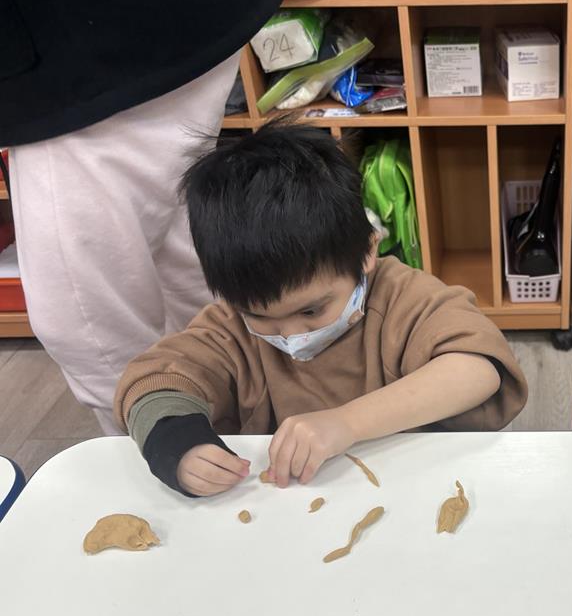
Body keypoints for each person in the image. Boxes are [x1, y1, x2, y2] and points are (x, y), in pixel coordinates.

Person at [114, 121, 528, 497]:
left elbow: (478, 369)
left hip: (412, 492)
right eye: (260, 316)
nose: (291, 335)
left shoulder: (404, 299)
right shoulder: (230, 329)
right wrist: (179, 447)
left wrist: (347, 423)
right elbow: (155, 383)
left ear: (367, 252)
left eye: (311, 311)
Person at [0, 0, 284, 433]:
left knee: (90, 318)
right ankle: (240, 422)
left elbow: (84, 328)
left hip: (85, 40)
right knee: (186, 248)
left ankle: (173, 441)